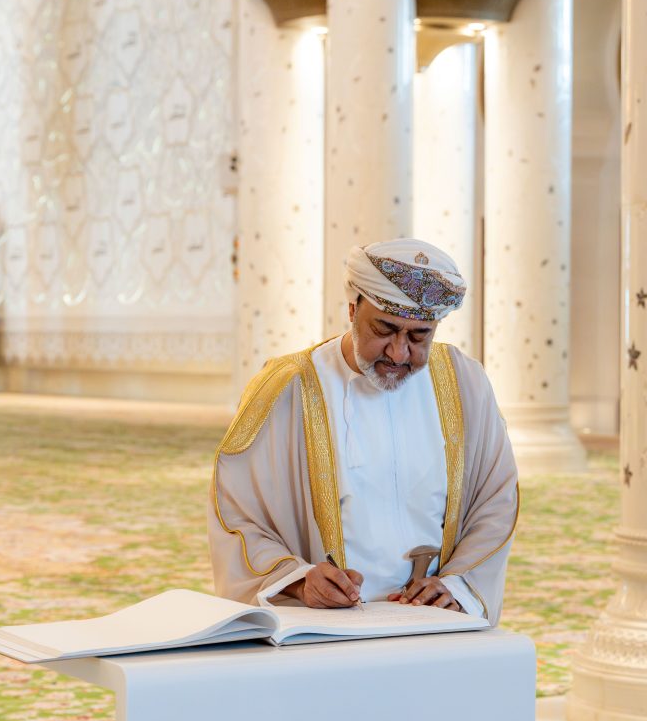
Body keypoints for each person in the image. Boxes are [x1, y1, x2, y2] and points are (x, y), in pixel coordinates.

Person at [207, 238, 518, 622]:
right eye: (385, 329)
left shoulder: (463, 381)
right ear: (352, 309)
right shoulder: (288, 387)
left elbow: (496, 499)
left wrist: (457, 583)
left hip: (434, 621)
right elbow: (238, 511)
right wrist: (298, 580)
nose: (399, 352)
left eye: (419, 336)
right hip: (324, 624)